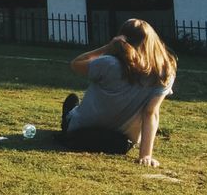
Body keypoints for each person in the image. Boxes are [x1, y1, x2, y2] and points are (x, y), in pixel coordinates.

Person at [61, 18, 176, 167]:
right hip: (121, 140)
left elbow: (76, 63)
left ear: (122, 39)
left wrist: (107, 47)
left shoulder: (108, 63)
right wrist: (146, 155)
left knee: (72, 102)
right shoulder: (165, 73)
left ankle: (69, 112)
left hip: (81, 130)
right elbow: (150, 113)